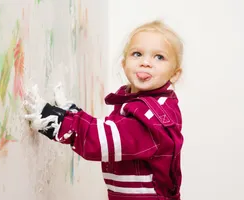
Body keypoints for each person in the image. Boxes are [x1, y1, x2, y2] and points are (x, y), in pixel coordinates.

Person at [23, 20, 184, 200]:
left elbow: (101, 141)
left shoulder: (152, 118)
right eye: (137, 54)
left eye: (159, 57)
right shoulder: (136, 103)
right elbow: (115, 133)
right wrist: (72, 113)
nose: (145, 62)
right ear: (124, 64)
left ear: (175, 73)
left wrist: (55, 120)